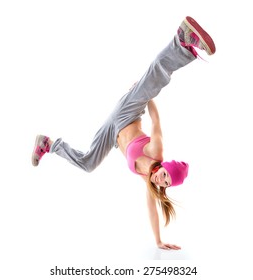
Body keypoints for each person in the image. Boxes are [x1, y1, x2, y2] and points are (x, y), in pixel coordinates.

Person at [32, 16, 215, 250]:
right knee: (155, 80)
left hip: (112, 132)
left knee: (88, 164)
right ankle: (181, 41)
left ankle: (48, 144)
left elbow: (151, 209)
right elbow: (156, 121)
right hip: (127, 114)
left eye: (166, 182)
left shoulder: (148, 180)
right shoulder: (156, 151)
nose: (162, 179)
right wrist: (143, 94)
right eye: (166, 175)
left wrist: (158, 241)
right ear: (166, 166)